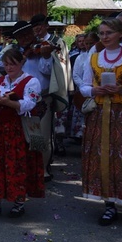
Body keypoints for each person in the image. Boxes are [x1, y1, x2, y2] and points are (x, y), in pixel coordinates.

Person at [0, 20, 67, 182]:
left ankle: (42, 169)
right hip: (16, 99)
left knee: (40, 136)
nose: (26, 38)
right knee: (20, 137)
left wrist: (46, 55)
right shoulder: (14, 50)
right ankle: (23, 168)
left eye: (28, 34)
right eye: (21, 36)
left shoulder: (44, 46)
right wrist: (23, 56)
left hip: (41, 99)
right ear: (16, 38)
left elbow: (47, 71)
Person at [0, 48, 44, 218]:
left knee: (17, 163)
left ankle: (18, 202)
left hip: (17, 128)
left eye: (13, 63)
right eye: (6, 64)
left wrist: (9, 103)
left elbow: (30, 104)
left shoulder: (31, 81)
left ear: (21, 63)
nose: (9, 67)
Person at [79, 18, 122, 226]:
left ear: (120, 34)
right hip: (100, 113)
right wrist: (93, 90)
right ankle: (109, 204)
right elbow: (82, 84)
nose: (105, 37)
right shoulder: (95, 57)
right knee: (103, 158)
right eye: (101, 33)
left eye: (108, 33)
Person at [30, 13, 72, 157]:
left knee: (45, 132)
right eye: (34, 26)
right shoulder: (31, 43)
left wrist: (46, 55)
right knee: (34, 131)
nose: (37, 29)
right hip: (30, 94)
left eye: (40, 25)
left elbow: (58, 69)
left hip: (48, 91)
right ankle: (36, 162)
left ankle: (45, 165)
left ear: (47, 26)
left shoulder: (57, 42)